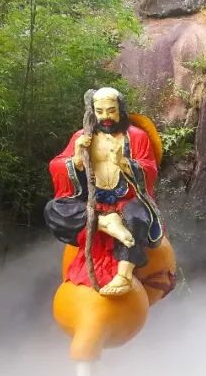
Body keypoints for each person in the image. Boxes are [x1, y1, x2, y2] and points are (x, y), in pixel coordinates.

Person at [44, 87, 163, 297]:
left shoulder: (136, 136)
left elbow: (150, 169)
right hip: (95, 202)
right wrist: (78, 159)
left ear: (120, 110)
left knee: (137, 215)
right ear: (92, 112)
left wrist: (124, 162)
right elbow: (57, 165)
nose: (106, 117)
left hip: (126, 198)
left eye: (111, 110)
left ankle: (124, 275)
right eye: (100, 111)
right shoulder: (81, 137)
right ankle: (103, 222)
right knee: (54, 209)